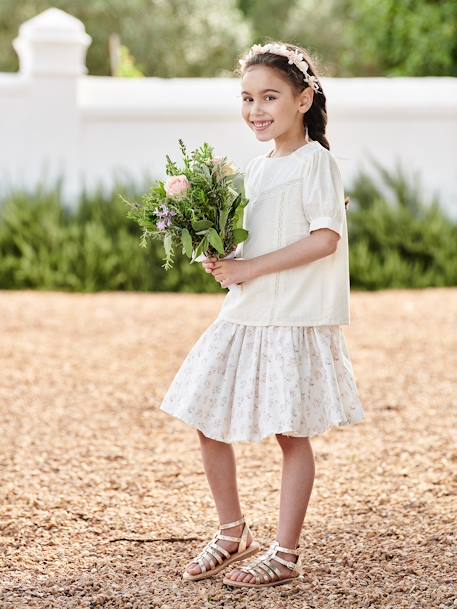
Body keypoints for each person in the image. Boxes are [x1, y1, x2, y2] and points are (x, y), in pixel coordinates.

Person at [159, 41, 366, 589]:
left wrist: (255, 268)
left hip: (291, 316)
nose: (256, 110)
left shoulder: (315, 162)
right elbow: (259, 240)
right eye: (247, 98)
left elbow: (325, 238)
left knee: (290, 433)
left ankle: (284, 552)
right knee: (205, 414)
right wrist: (227, 261)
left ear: (304, 98)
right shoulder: (255, 167)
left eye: (270, 96)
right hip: (246, 312)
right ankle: (233, 533)